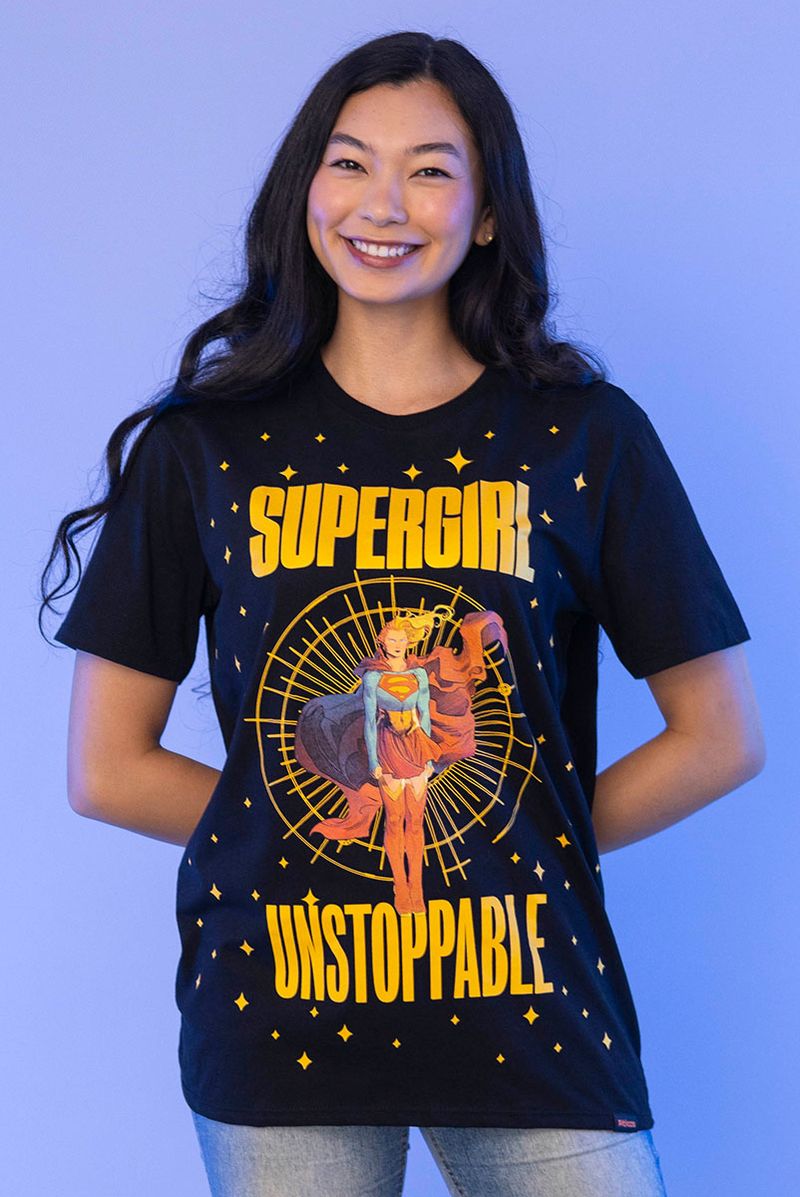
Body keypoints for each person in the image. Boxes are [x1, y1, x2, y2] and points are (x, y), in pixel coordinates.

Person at [39, 30, 765, 1197]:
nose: (382, 203)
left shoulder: (583, 438)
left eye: (429, 169)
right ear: (305, 192)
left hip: (533, 1015)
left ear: (486, 215)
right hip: (278, 1017)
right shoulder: (203, 448)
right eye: (349, 163)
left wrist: (525, 833)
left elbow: (719, 738)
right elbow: (105, 769)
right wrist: (309, 828)